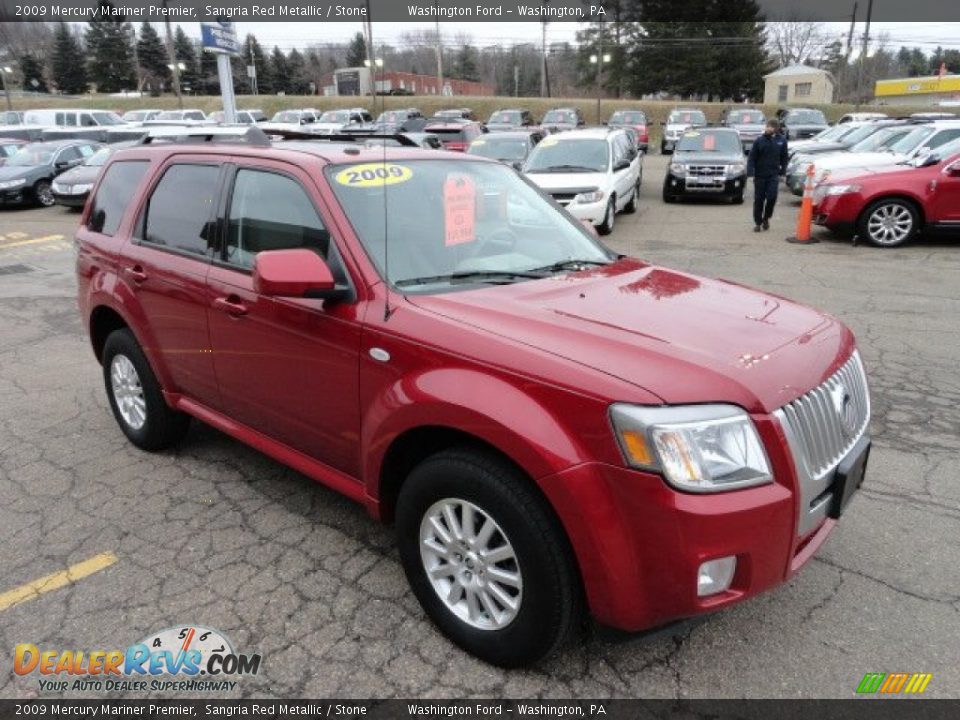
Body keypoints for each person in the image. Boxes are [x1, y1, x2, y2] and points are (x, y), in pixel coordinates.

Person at [747, 119, 789, 232]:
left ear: (776, 129)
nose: (769, 128)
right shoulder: (759, 141)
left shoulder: (782, 141)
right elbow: (751, 158)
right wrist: (751, 173)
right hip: (760, 175)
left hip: (773, 175)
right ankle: (758, 222)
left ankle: (766, 217)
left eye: (772, 127)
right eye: (768, 126)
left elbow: (784, 157)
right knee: (759, 199)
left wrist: (783, 172)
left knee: (771, 197)